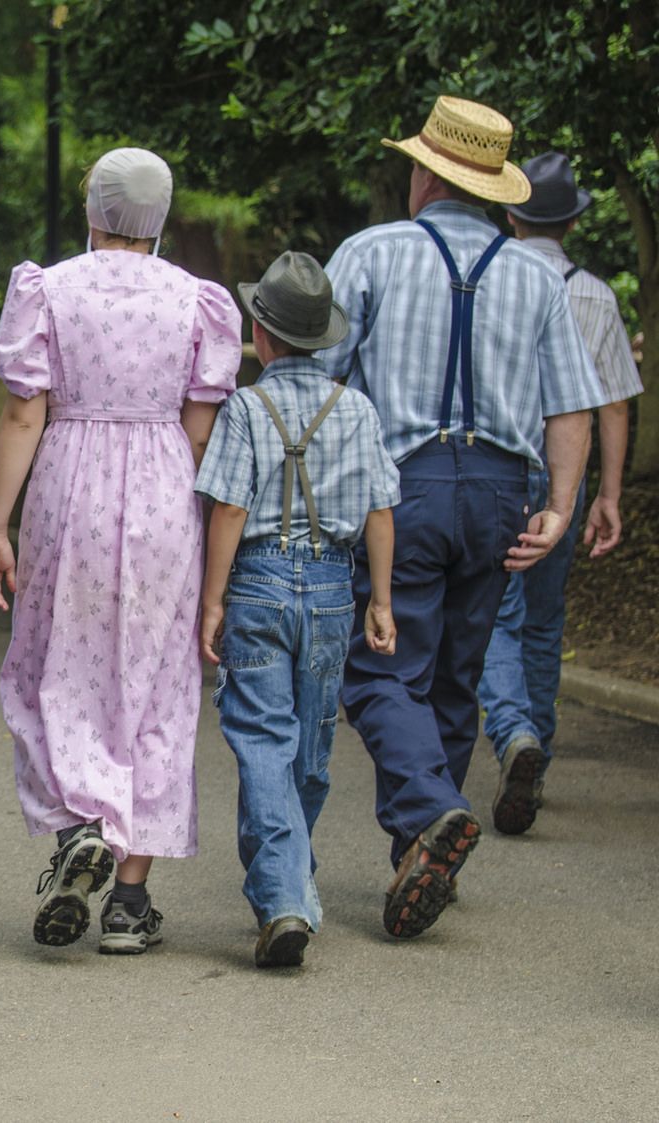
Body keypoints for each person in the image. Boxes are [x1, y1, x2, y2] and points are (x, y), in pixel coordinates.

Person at [316, 97, 602, 939]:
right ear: (493, 188)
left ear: (423, 173)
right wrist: (557, 508)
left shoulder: (370, 253)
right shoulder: (537, 275)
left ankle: (434, 807)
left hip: (398, 486)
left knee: (377, 666)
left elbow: (320, 379)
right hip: (500, 490)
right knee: (455, 673)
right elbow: (574, 408)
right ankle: (421, 844)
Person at [0, 147, 242, 954]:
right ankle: (129, 903)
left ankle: (80, 823)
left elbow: (26, 415)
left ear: (91, 211)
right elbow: (201, 422)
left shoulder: (48, 288)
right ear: (160, 221)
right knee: (155, 681)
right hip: (163, 482)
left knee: (58, 662)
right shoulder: (197, 301)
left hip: (70, 483)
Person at [194, 252, 401, 968]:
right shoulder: (359, 410)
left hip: (256, 582)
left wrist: (212, 598)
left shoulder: (246, 408)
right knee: (310, 750)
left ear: (263, 334)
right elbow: (379, 508)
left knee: (262, 740)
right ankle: (289, 880)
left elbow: (228, 506)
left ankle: (282, 892)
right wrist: (382, 597)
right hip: (332, 587)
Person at [476, 153, 645, 836]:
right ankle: (534, 755)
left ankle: (512, 728)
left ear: (510, 212)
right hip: (563, 476)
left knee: (497, 615)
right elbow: (612, 405)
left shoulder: (491, 280)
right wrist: (607, 494)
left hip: (503, 467)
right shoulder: (596, 295)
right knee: (545, 620)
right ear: (574, 221)